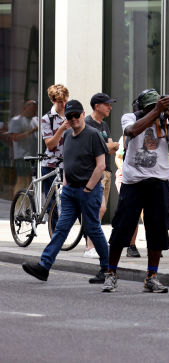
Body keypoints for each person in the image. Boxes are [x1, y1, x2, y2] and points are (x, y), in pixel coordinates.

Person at [22, 99, 110, 283]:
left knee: (93, 229)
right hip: (70, 191)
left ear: (83, 114)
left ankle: (107, 269)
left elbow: (101, 165)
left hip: (88, 191)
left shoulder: (93, 135)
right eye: (69, 116)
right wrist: (65, 184)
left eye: (76, 115)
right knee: (61, 228)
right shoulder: (68, 134)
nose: (73, 119)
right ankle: (44, 266)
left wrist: (88, 188)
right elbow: (67, 161)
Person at [103, 90, 169, 294]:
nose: (156, 109)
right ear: (142, 108)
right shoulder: (130, 117)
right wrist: (156, 111)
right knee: (122, 228)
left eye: (157, 106)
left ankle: (152, 276)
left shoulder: (164, 121)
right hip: (133, 182)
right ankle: (111, 273)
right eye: (151, 106)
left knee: (157, 231)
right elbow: (132, 131)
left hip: (160, 181)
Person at [83, 93, 118, 265]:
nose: (110, 107)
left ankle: (93, 245)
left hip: (107, 171)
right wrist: (108, 146)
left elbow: (111, 148)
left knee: (99, 209)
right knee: (99, 208)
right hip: (95, 172)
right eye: (107, 104)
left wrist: (107, 146)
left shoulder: (104, 124)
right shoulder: (87, 124)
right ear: (97, 106)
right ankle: (89, 247)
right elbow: (99, 148)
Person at [39, 84, 70, 200]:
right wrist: (61, 129)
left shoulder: (71, 116)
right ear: (53, 101)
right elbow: (50, 145)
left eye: (66, 101)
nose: (64, 104)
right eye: (60, 102)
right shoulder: (47, 119)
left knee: (67, 201)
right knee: (53, 203)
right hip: (51, 165)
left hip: (68, 165)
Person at [4, 99, 38, 195]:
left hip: (34, 156)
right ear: (25, 108)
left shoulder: (36, 120)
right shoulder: (16, 120)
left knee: (30, 181)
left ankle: (27, 202)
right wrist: (31, 131)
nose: (34, 111)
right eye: (32, 108)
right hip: (22, 156)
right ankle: (17, 201)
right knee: (22, 180)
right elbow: (14, 138)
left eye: (35, 109)